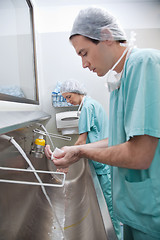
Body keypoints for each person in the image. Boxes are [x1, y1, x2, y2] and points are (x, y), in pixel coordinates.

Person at [45, 7, 160, 240]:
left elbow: (139, 154)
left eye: (84, 53)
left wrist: (82, 151)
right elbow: (117, 142)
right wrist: (76, 151)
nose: (84, 64)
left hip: (150, 212)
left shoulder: (143, 63)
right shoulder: (117, 83)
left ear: (106, 36)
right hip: (132, 209)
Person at [60, 79, 121, 239]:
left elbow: (81, 141)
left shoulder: (87, 107)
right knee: (111, 203)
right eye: (66, 98)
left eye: (69, 96)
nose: (68, 101)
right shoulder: (92, 104)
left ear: (77, 91)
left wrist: (64, 161)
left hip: (102, 164)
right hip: (105, 160)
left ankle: (117, 236)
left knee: (109, 207)